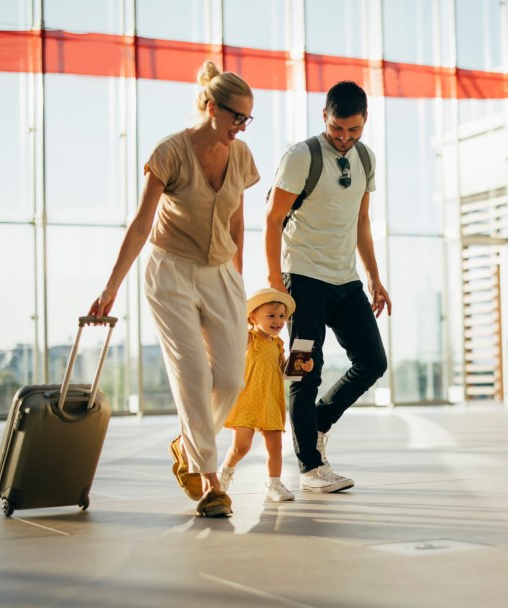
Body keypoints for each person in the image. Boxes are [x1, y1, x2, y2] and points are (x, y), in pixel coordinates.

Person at [89, 60, 259, 518]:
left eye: (248, 118)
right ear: (210, 107)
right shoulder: (170, 152)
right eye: (236, 117)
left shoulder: (241, 156)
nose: (241, 127)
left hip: (221, 272)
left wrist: (241, 281)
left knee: (229, 377)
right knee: (192, 375)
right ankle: (208, 481)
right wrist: (111, 287)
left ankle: (188, 446)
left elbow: (238, 221)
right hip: (171, 273)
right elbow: (143, 222)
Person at [264, 80, 392, 493]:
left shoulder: (366, 159)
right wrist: (273, 280)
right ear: (324, 116)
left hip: (345, 278)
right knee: (305, 371)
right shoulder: (301, 156)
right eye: (338, 128)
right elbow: (272, 219)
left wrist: (374, 277)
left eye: (353, 130)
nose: (344, 137)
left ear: (365, 122)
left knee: (372, 361)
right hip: (302, 277)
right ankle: (310, 467)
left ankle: (317, 423)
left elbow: (362, 221)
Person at [218, 288, 313, 502]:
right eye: (271, 316)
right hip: (248, 399)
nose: (278, 321)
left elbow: (283, 370)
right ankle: (225, 472)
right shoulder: (249, 338)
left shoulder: (278, 343)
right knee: (241, 446)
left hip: (271, 400)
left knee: (276, 447)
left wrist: (302, 365)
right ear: (253, 317)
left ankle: (274, 483)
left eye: (281, 316)